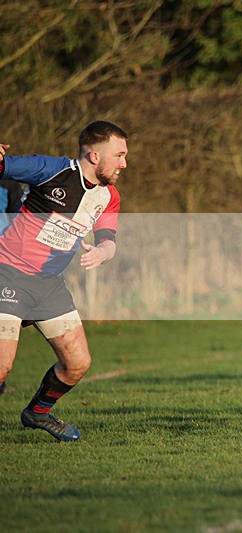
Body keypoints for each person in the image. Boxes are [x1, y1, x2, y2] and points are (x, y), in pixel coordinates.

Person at [0, 121, 128, 441]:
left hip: (48, 285)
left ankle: (38, 413)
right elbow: (5, 166)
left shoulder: (108, 196)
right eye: (119, 155)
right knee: (2, 366)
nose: (124, 163)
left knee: (77, 363)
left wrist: (103, 251)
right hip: (8, 272)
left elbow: (109, 238)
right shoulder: (50, 170)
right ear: (95, 156)